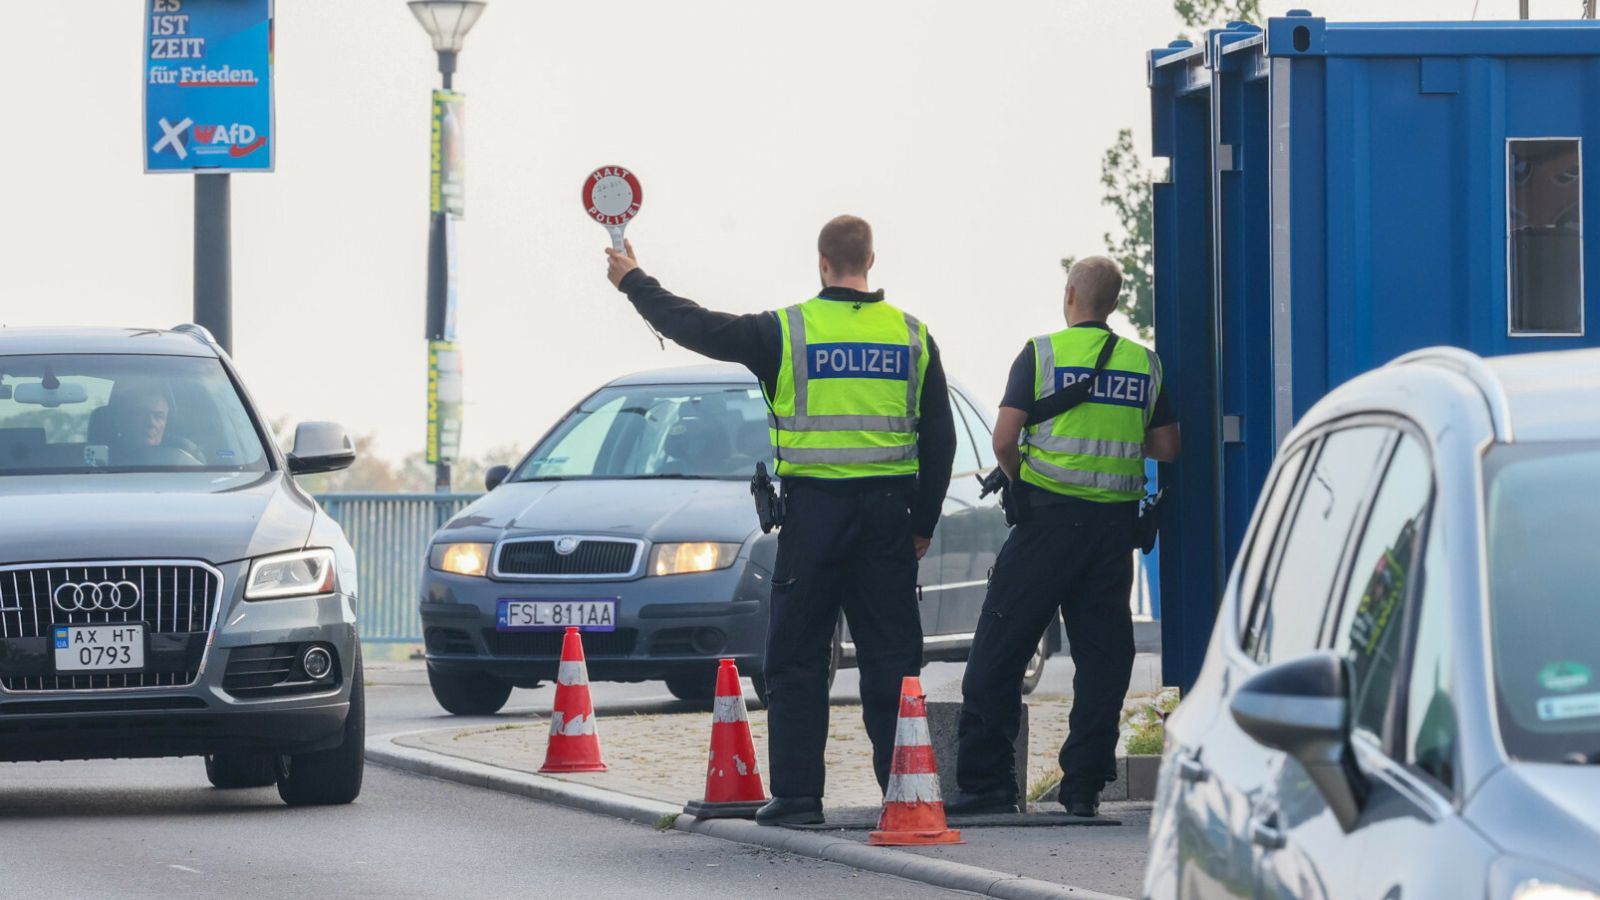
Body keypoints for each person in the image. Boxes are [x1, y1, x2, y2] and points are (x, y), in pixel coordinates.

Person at [605, 215, 957, 826]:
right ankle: (905, 794)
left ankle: (797, 798)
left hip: (814, 519)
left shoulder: (787, 332)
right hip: (886, 519)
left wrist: (634, 280)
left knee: (795, 658)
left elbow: (693, 324)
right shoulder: (913, 336)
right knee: (892, 662)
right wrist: (921, 522)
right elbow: (941, 440)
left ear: (823, 264)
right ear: (870, 262)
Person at [947, 256, 1180, 818]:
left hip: (1046, 527)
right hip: (1110, 535)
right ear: (1115, 302)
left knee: (1000, 650)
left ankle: (986, 785)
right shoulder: (1143, 364)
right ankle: (1082, 786)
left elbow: (1005, 438)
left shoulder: (1041, 353)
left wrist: (1021, 478)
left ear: (1071, 293)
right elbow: (1168, 447)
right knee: (1103, 660)